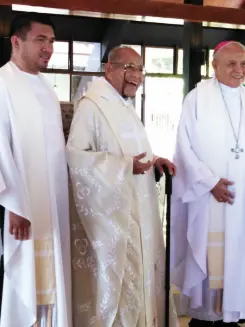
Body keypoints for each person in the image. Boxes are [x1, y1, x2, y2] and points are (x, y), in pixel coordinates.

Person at [67, 46, 179, 327]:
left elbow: (134, 153)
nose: (137, 76)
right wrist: (124, 166)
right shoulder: (91, 106)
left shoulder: (124, 106)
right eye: (130, 68)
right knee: (123, 280)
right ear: (109, 69)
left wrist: (154, 162)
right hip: (115, 218)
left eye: (141, 69)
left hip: (140, 213)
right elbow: (76, 158)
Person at [0, 12, 72, 327]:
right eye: (40, 40)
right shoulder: (3, 83)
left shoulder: (46, 87)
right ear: (16, 41)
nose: (48, 48)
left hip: (51, 202)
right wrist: (13, 204)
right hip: (17, 203)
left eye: (52, 41)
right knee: (24, 274)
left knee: (50, 270)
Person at [171, 40, 245, 327]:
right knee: (211, 261)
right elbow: (184, 147)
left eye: (243, 64)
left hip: (241, 204)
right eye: (231, 63)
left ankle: (233, 316)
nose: (238, 70)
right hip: (210, 197)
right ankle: (206, 319)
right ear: (214, 65)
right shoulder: (197, 98)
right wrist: (210, 182)